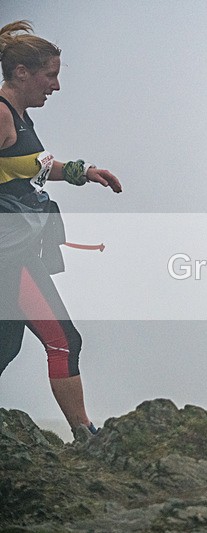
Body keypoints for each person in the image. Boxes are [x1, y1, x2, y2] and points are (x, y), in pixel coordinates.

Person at [0, 21, 122, 442]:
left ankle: (83, 432)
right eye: (49, 75)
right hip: (8, 259)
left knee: (5, 346)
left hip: (17, 252)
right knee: (63, 338)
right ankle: (85, 434)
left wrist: (82, 172)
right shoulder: (0, 114)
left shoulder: (18, 117)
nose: (55, 86)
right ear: (21, 73)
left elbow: (29, 166)